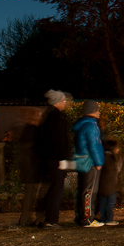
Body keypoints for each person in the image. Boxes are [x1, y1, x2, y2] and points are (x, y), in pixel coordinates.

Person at [38, 90, 71, 228]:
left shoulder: (50, 116)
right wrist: (62, 158)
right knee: (56, 190)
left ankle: (49, 218)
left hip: (51, 159)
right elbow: (58, 141)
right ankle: (51, 219)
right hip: (56, 160)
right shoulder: (56, 118)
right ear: (57, 101)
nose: (65, 103)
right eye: (63, 100)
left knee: (53, 189)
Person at [72, 100, 104, 227]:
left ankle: (80, 216)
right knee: (90, 190)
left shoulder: (80, 124)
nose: (99, 112)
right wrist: (98, 162)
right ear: (93, 111)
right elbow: (93, 145)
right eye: (97, 109)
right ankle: (88, 218)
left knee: (82, 189)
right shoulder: (91, 125)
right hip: (90, 162)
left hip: (81, 160)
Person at [16, 107, 43, 227]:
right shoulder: (31, 130)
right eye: (38, 115)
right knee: (31, 194)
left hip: (31, 167)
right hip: (32, 168)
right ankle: (25, 218)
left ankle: (27, 217)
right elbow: (28, 151)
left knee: (32, 194)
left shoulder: (30, 130)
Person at [98, 139, 122, 225]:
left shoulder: (102, 156)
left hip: (102, 184)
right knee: (110, 203)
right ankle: (109, 219)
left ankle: (104, 218)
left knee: (103, 203)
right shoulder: (110, 157)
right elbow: (114, 171)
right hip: (110, 185)